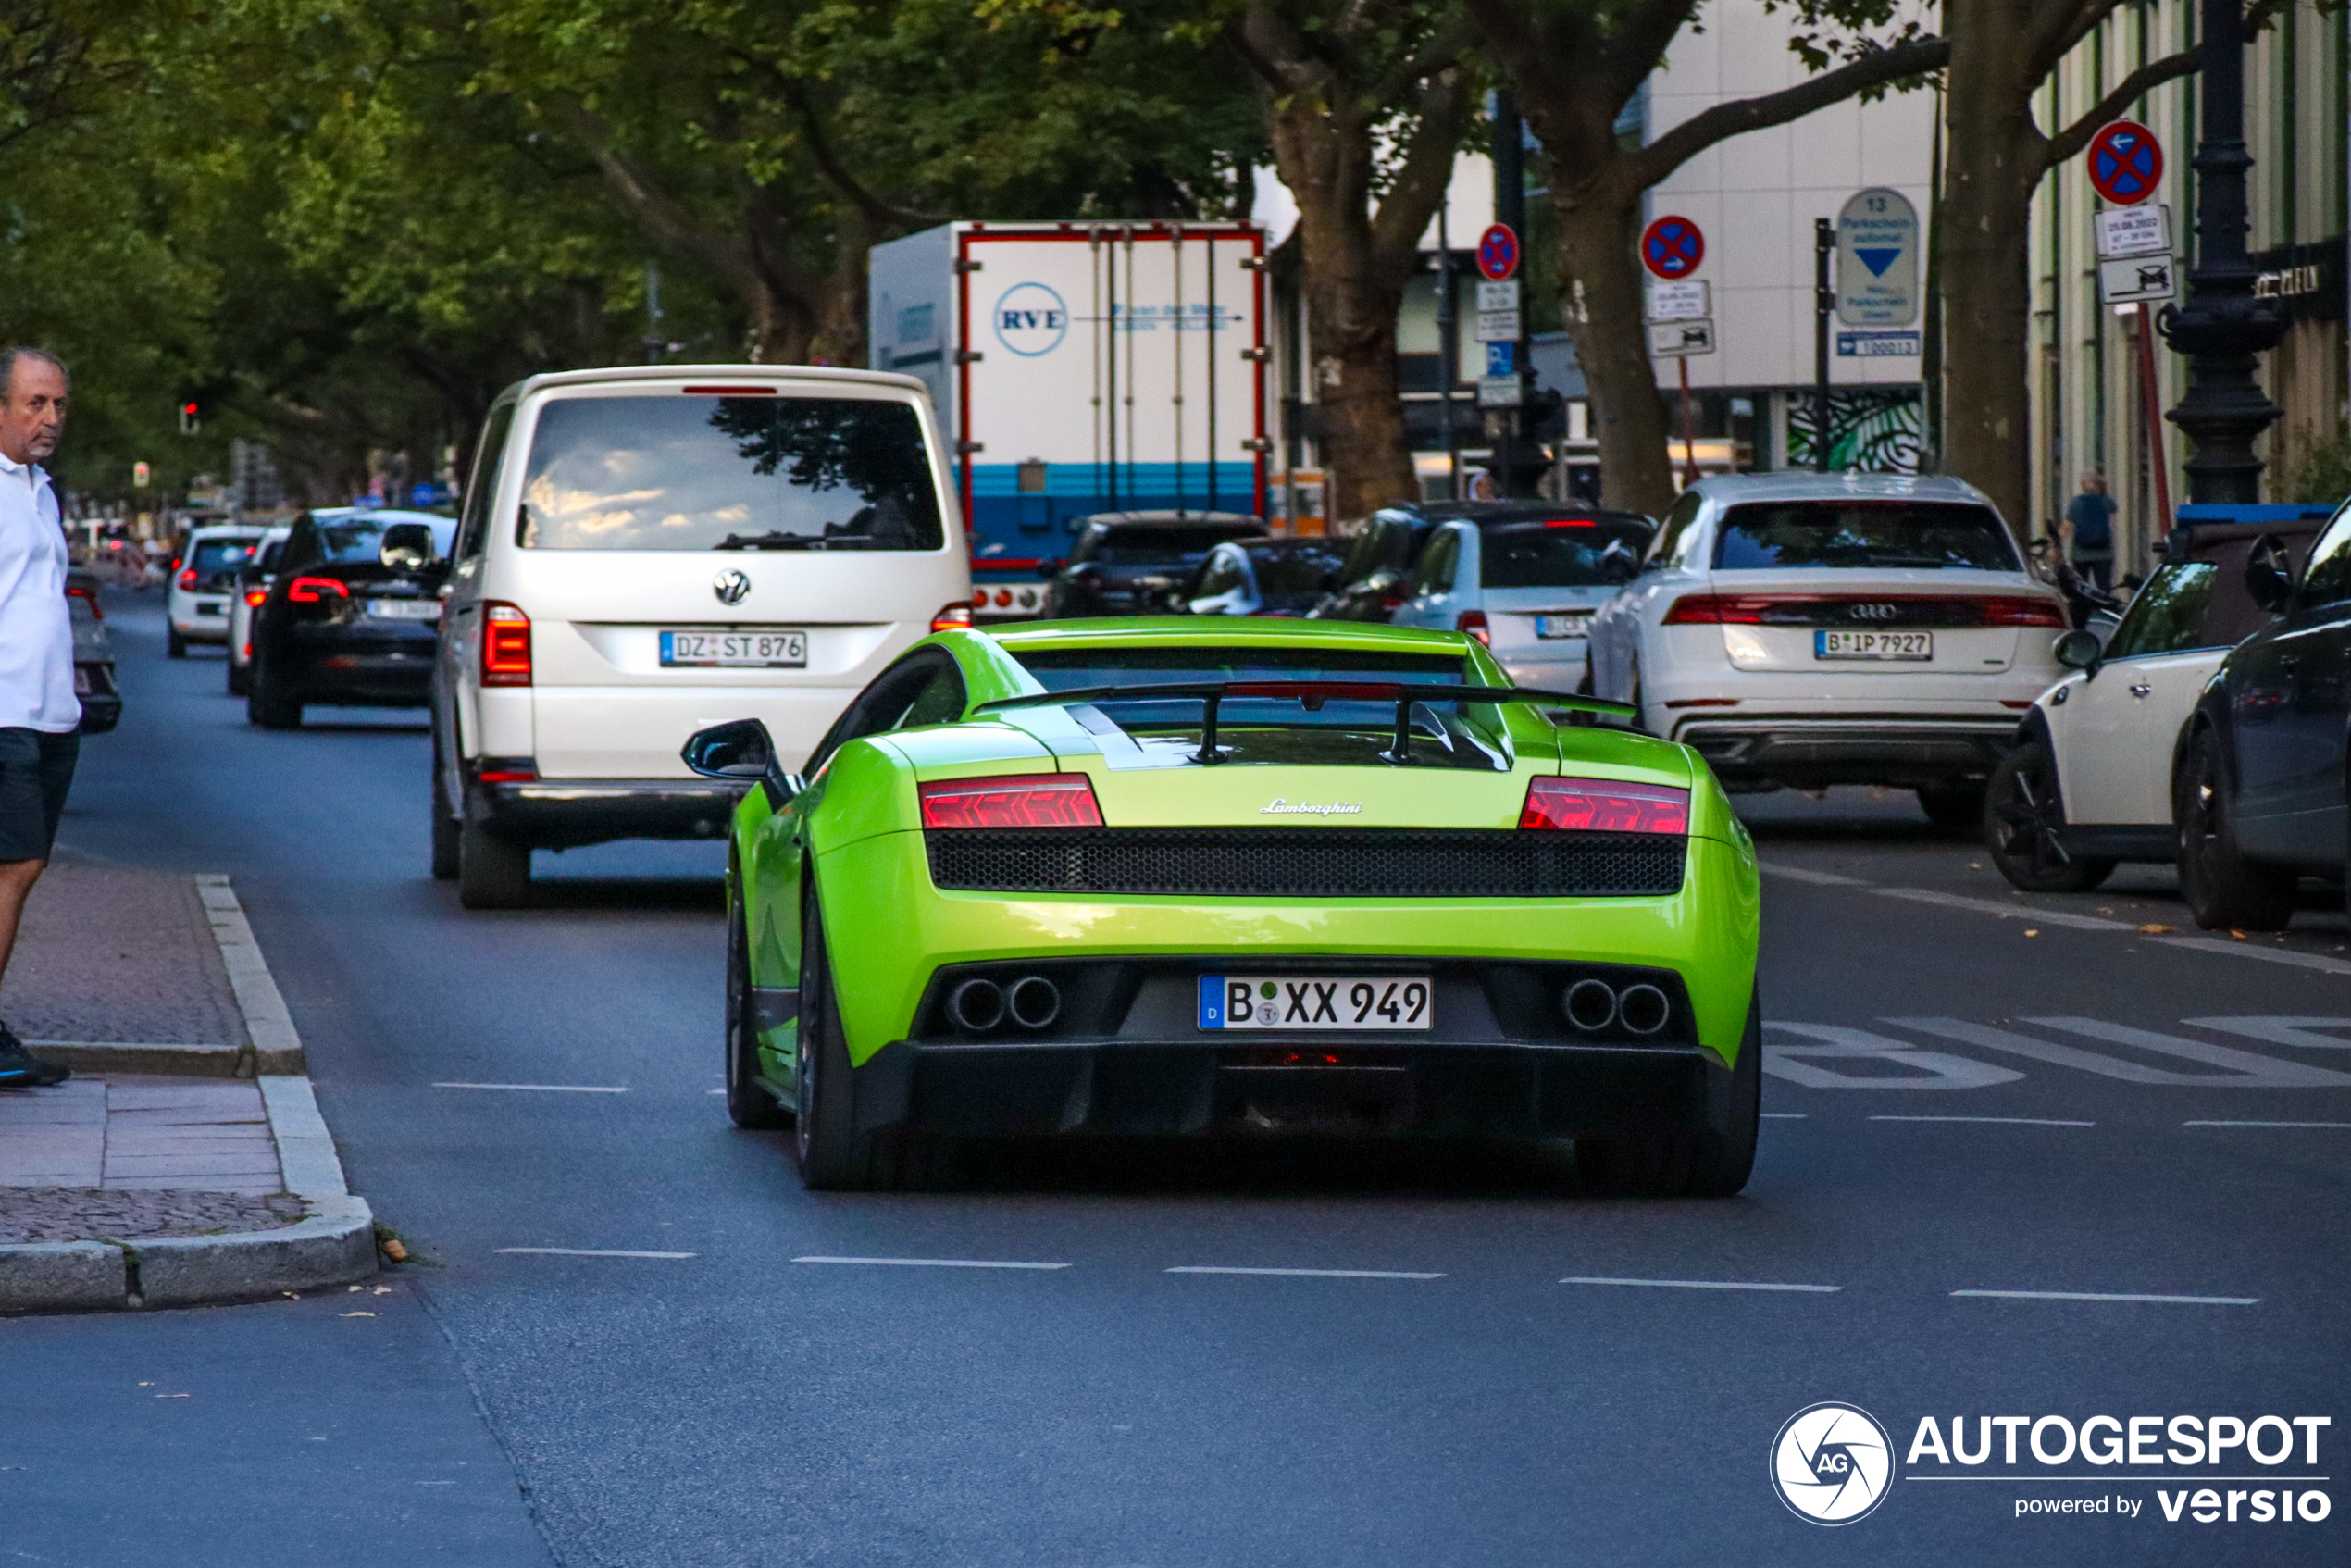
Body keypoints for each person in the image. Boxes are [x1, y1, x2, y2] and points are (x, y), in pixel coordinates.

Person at [0, 347, 80, 1089]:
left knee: (23, 868)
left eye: (58, 404)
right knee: (14, 865)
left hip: (50, 715)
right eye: (34, 403)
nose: (50, 418)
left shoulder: (40, 489)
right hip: (4, 713)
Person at [2063, 470, 2118, 593]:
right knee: (2104, 588)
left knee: (2080, 587)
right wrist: (2103, 488)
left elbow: (2067, 526)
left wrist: (2055, 544)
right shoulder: (2106, 500)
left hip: (2080, 553)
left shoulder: (2076, 502)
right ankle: (2104, 609)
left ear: (2082, 485)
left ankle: (2082, 611)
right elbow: (2114, 509)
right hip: (2104, 553)